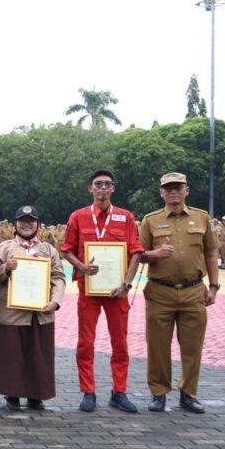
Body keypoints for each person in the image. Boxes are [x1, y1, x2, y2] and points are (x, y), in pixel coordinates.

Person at [61, 169, 143, 414]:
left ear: (113, 188)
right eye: (98, 184)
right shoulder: (78, 216)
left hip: (117, 292)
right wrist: (81, 266)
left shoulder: (126, 217)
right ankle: (88, 391)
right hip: (89, 291)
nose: (103, 188)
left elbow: (136, 252)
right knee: (86, 343)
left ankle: (119, 392)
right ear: (91, 189)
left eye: (108, 184)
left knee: (120, 343)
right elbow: (67, 250)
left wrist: (126, 284)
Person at [139, 172, 220, 414]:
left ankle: (188, 393)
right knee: (158, 347)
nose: (173, 191)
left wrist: (214, 286)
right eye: (168, 188)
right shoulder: (150, 221)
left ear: (187, 190)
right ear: (161, 192)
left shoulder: (202, 218)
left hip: (193, 291)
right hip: (159, 292)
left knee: (193, 347)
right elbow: (138, 254)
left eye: (178, 187)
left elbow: (211, 253)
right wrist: (155, 254)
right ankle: (159, 393)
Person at [0, 206, 65, 410]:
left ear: (38, 224)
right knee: (11, 354)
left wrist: (55, 301)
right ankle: (12, 394)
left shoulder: (48, 250)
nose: (27, 224)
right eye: (22, 221)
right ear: (15, 224)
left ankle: (36, 395)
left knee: (38, 355)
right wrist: (5, 268)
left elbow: (58, 277)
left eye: (31, 221)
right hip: (10, 312)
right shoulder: (4, 248)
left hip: (40, 312)